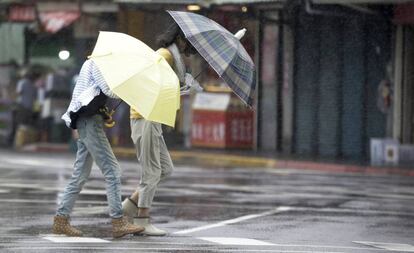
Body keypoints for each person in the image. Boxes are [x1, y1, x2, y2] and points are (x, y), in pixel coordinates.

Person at [121, 21, 201, 236]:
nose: (188, 48)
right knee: (151, 172)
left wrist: (182, 85)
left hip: (152, 117)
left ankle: (127, 208)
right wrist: (180, 85)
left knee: (165, 170)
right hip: (146, 115)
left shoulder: (169, 56)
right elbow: (153, 83)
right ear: (180, 39)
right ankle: (143, 220)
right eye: (188, 42)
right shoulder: (165, 55)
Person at [52, 59, 144, 238]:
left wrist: (103, 114)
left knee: (79, 176)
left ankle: (61, 220)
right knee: (112, 171)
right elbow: (108, 89)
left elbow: (93, 95)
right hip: (89, 124)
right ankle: (118, 222)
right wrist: (130, 89)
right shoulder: (98, 63)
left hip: (88, 121)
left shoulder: (94, 64)